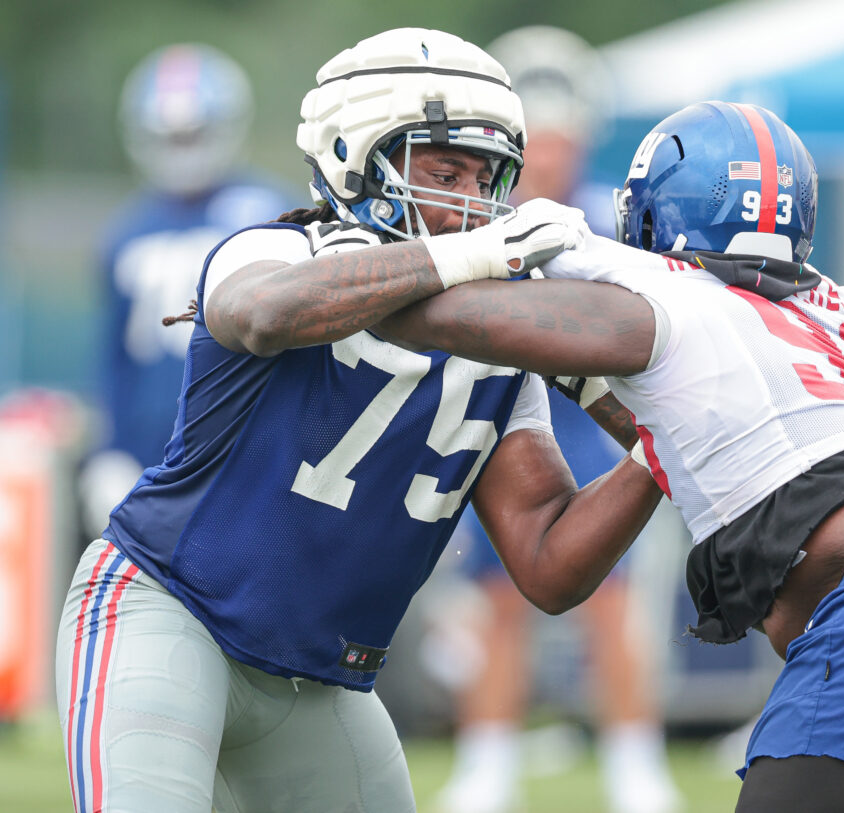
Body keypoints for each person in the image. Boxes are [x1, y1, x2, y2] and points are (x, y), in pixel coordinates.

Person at [380, 100, 844, 812]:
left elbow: (419, 311)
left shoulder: (659, 297)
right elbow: (573, 549)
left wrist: (420, 253)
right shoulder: (838, 310)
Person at [54, 28, 664, 813]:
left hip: (320, 683)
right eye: (445, 172)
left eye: (488, 179)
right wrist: (470, 260)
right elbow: (266, 312)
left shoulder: (498, 351)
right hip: (170, 618)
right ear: (354, 157)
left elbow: (548, 563)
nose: (472, 205)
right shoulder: (276, 248)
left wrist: (658, 445)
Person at [432, 26, 679, 813]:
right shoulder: (483, 211)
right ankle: (488, 764)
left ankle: (635, 766)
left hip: (595, 414)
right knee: (501, 599)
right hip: (505, 414)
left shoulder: (610, 208)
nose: (549, 154)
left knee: (610, 602)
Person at [78, 43, 293, 533]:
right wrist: (109, 450)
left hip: (248, 447)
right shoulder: (128, 231)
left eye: (194, 135)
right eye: (170, 138)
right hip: (151, 449)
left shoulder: (271, 211)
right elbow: (115, 357)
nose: (183, 151)